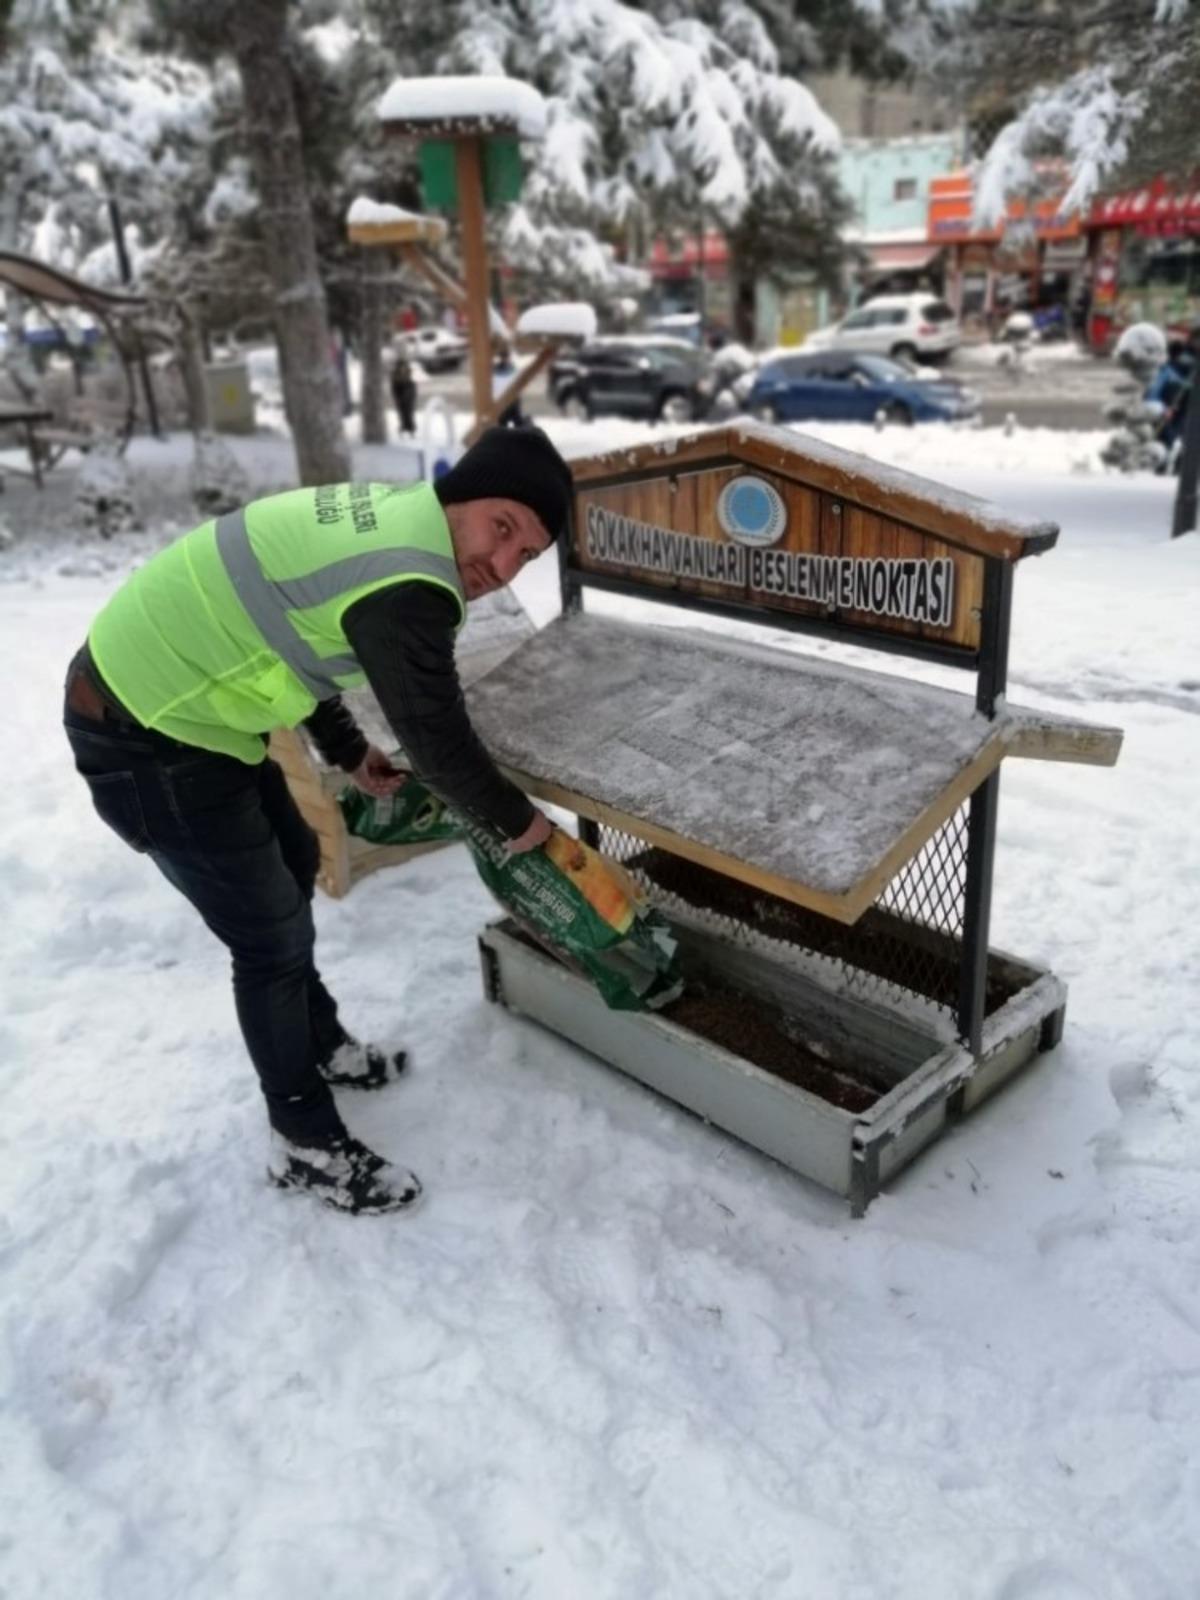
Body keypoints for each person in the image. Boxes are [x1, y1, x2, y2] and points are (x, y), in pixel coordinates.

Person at [63, 425, 573, 1216]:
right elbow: (439, 742)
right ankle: (302, 1138)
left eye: (527, 557)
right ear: (458, 496)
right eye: (502, 529)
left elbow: (292, 622)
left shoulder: (395, 520)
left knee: (295, 861)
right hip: (144, 728)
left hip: (191, 711)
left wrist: (343, 747)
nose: (503, 568)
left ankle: (321, 1045)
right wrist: (521, 825)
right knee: (267, 940)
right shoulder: (413, 582)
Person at [391, 351, 418, 435]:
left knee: (409, 412)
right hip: (400, 394)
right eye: (400, 366)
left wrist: (410, 395)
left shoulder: (409, 372)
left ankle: (411, 428)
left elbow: (412, 386)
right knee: (402, 412)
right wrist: (397, 397)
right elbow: (394, 387)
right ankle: (403, 426)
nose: (402, 368)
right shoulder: (395, 374)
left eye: (403, 366)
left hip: (408, 395)